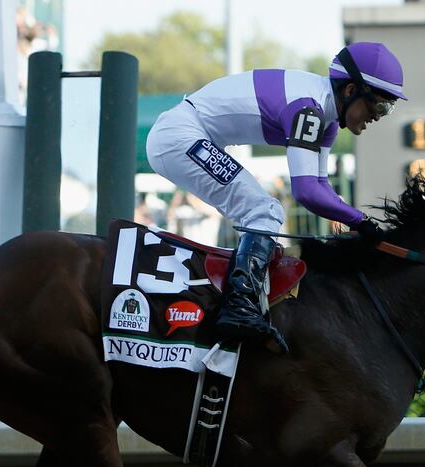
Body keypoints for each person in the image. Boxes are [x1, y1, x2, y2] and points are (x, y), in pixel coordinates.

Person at [145, 42, 405, 352]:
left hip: (185, 134)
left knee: (263, 209)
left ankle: (242, 300)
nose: (379, 116)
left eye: (388, 108)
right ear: (350, 90)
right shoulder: (309, 109)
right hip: (179, 136)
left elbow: (320, 187)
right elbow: (306, 192)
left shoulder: (326, 120)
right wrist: (360, 221)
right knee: (264, 210)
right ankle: (239, 307)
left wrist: (350, 219)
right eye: (379, 105)